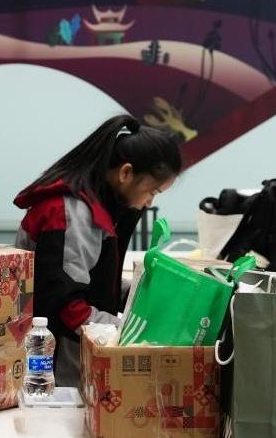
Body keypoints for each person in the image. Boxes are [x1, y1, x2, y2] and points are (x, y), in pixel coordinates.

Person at [13, 114, 181, 386]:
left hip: (70, 358)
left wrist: (143, 295)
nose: (150, 202)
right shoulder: (70, 213)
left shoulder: (98, 207)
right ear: (125, 173)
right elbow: (67, 307)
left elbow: (93, 283)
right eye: (153, 191)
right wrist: (133, 333)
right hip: (51, 370)